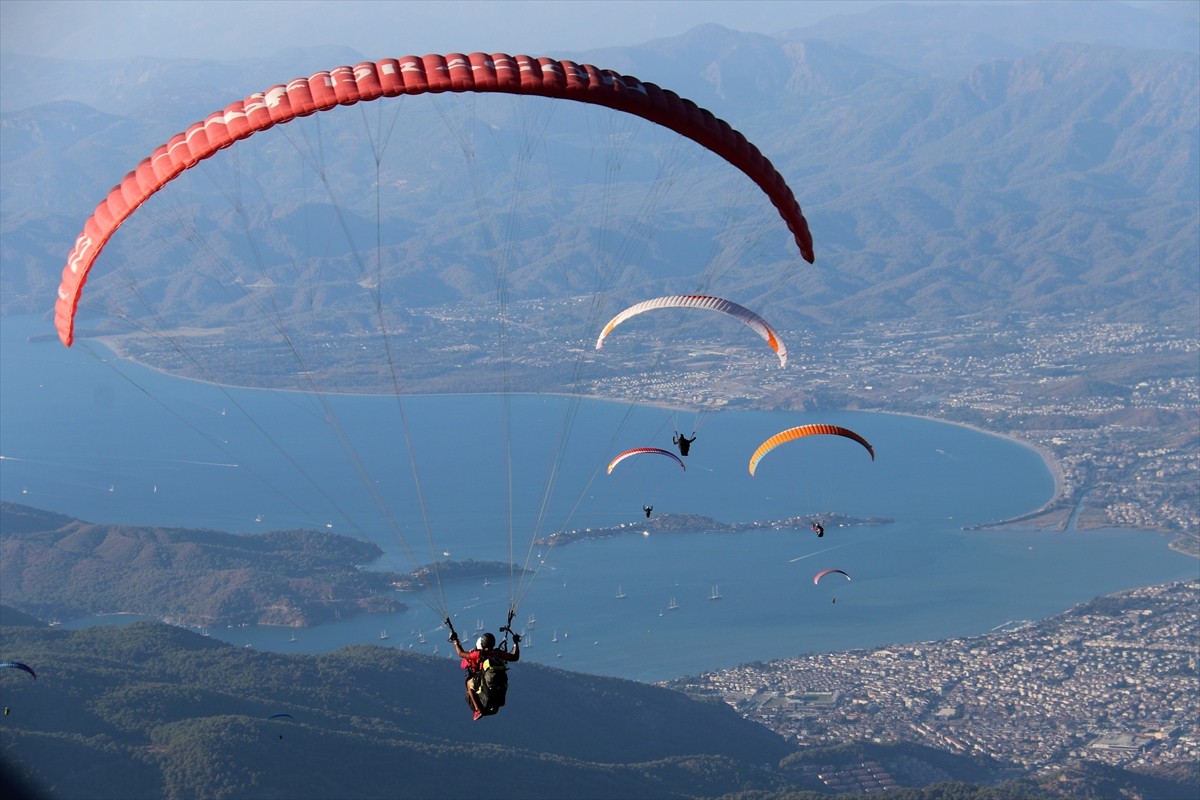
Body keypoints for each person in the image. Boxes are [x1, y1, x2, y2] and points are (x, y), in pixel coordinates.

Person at [450, 630, 520, 720]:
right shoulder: (498, 653)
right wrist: (516, 643)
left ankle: (478, 710)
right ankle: (493, 705)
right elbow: (515, 657)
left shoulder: (479, 654)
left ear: (482, 644)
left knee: (468, 683)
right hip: (499, 683)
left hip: (483, 680)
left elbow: (461, 653)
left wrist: (455, 641)